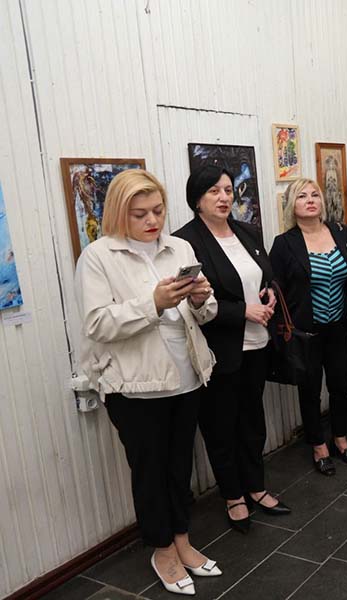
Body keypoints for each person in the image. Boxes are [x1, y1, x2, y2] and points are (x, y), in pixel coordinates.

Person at [74, 169, 219, 595]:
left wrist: (201, 299)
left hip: (187, 376)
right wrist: (152, 303)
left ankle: (182, 540)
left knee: (180, 466)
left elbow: (202, 314)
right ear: (120, 212)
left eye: (158, 210)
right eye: (140, 214)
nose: (152, 220)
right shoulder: (99, 256)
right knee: (150, 472)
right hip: (135, 387)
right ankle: (162, 550)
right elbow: (97, 324)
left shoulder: (179, 247)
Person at [173, 166, 290, 533]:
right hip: (219, 349)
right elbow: (190, 303)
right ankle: (233, 495)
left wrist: (270, 292)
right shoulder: (185, 242)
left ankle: (255, 486)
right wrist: (243, 311)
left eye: (227, 189)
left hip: (257, 344)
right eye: (214, 191)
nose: (224, 197)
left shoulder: (246, 231)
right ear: (196, 199)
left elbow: (265, 272)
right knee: (221, 425)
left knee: (252, 421)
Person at [269, 178, 347, 476]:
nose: (310, 200)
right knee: (310, 390)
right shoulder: (284, 243)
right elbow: (274, 286)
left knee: (340, 384)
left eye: (314, 195)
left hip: (339, 326)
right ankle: (318, 445)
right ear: (291, 205)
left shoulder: (340, 232)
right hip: (306, 332)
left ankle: (340, 438)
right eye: (302, 196)